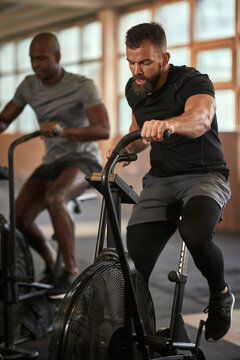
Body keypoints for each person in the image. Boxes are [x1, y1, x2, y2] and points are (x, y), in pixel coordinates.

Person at [107, 22, 234, 342]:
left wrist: (168, 124)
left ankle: (220, 295)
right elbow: (139, 134)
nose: (138, 70)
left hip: (205, 174)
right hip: (161, 180)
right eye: (131, 62)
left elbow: (200, 119)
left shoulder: (192, 81)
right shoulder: (134, 86)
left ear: (164, 57)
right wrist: (125, 145)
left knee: (194, 232)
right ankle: (139, 332)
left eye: (146, 62)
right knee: (133, 264)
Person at [0, 32, 110, 298]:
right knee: (19, 219)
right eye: (32, 59)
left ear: (57, 57)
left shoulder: (82, 85)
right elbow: (4, 120)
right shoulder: (28, 85)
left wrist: (63, 132)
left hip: (83, 159)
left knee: (55, 198)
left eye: (41, 58)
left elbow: (103, 130)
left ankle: (70, 272)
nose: (35, 64)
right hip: (52, 162)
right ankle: (52, 261)